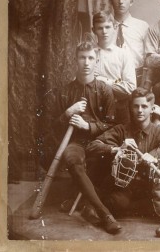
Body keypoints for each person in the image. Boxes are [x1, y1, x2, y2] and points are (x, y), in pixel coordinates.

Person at [53, 41, 121, 234]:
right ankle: (105, 214)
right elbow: (53, 129)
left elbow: (113, 125)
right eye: (82, 57)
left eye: (91, 58)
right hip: (75, 142)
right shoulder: (65, 91)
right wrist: (67, 113)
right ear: (76, 60)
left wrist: (89, 126)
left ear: (96, 61)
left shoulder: (105, 90)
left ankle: (82, 198)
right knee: (73, 160)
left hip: (99, 141)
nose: (86, 62)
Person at [85, 88, 160, 219]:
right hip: (125, 186)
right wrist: (117, 149)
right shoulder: (121, 130)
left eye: (144, 106)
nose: (139, 110)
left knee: (159, 205)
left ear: (152, 109)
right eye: (136, 106)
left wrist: (154, 155)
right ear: (130, 108)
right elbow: (92, 146)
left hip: (150, 186)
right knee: (118, 204)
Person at [92, 10, 136, 125]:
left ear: (114, 27)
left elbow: (130, 88)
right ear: (94, 30)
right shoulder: (89, 55)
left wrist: (103, 81)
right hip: (95, 110)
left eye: (107, 27)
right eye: (100, 28)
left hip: (119, 109)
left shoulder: (124, 54)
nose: (104, 32)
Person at [111, 0, 149, 86]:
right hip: (112, 77)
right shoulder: (105, 28)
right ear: (111, 2)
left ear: (131, 2)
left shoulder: (142, 26)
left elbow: (148, 59)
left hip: (138, 77)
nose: (120, 2)